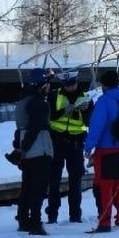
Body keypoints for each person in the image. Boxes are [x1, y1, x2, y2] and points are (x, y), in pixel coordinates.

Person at [83, 69, 119, 232]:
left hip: (105, 151)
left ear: (103, 84)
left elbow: (96, 126)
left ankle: (104, 223)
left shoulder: (104, 101)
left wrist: (88, 146)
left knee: (103, 187)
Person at [46, 70, 91, 224]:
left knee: (75, 181)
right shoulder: (53, 95)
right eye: (66, 85)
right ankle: (52, 215)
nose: (69, 87)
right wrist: (65, 111)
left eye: (72, 84)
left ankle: (75, 215)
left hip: (75, 144)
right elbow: (48, 116)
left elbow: (89, 123)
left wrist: (86, 112)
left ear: (77, 82)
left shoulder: (85, 98)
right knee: (53, 181)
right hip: (56, 143)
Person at [13, 68, 54, 236]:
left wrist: (20, 147)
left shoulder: (24, 100)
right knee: (38, 188)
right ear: (42, 84)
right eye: (48, 83)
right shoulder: (39, 103)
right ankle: (35, 223)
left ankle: (23, 219)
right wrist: (27, 146)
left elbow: (20, 127)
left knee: (27, 187)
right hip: (40, 150)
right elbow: (36, 126)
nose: (50, 87)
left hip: (28, 151)